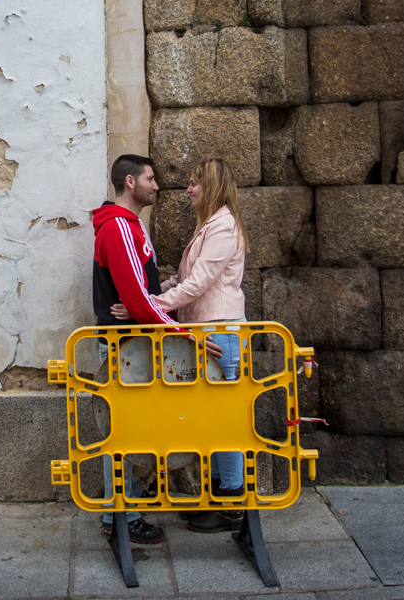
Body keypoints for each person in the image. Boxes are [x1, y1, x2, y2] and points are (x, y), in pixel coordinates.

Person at [91, 155, 222, 544]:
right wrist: (188, 335)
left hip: (133, 344)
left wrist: (152, 295)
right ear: (130, 182)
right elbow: (135, 300)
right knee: (124, 434)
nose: (157, 186)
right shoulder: (118, 227)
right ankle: (122, 518)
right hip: (125, 347)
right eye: (151, 179)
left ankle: (125, 510)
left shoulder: (130, 226)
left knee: (133, 431)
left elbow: (140, 294)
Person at [150, 157, 250, 534]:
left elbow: (199, 284)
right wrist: (153, 292)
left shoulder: (222, 226)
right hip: (205, 331)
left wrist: (149, 306)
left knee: (225, 422)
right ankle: (219, 496)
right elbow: (184, 278)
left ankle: (231, 505)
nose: (188, 190)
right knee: (212, 419)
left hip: (219, 332)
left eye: (195, 183)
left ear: (213, 186)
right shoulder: (210, 225)